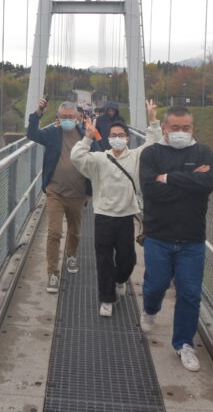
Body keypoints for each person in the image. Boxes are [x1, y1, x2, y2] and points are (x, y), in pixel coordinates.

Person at [138, 106, 213, 372]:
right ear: (164, 128)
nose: (181, 133)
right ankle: (150, 309)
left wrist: (169, 178)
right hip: (158, 234)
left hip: (192, 238)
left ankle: (184, 344)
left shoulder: (204, 153)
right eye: (175, 128)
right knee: (156, 284)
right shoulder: (151, 153)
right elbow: (150, 191)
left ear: (192, 128)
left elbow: (207, 185)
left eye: (186, 128)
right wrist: (189, 181)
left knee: (190, 294)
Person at [71, 100, 161, 317]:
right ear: (109, 138)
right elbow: (76, 157)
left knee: (127, 259)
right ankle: (107, 298)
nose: (118, 138)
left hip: (126, 216)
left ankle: (120, 280)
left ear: (128, 138)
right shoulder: (99, 158)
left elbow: (154, 143)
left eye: (121, 134)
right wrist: (87, 137)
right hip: (103, 215)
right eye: (114, 135)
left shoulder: (137, 157)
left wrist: (153, 120)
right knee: (103, 259)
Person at [28, 98, 92, 293]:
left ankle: (71, 254)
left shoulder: (84, 135)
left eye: (70, 117)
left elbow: (99, 155)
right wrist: (37, 113)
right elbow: (31, 134)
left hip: (78, 193)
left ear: (77, 118)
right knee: (54, 233)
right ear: (58, 117)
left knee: (75, 231)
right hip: (55, 192)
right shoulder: (52, 134)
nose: (66, 119)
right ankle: (53, 273)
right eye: (63, 117)